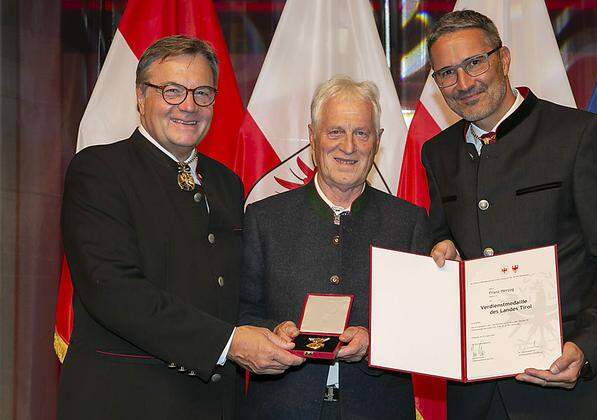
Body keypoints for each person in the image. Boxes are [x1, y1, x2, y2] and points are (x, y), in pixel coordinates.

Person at [57, 35, 303, 420]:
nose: (189, 106)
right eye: (172, 91)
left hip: (215, 406)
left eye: (203, 93)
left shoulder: (225, 183)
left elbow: (227, 289)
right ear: (141, 98)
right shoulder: (99, 171)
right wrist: (230, 343)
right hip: (126, 404)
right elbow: (115, 292)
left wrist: (274, 328)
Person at [422, 10, 597, 420]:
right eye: (447, 73)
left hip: (570, 391)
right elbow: (440, 235)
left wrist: (586, 347)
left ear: (503, 59)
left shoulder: (578, 136)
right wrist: (442, 247)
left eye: (475, 63)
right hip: (477, 399)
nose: (464, 83)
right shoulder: (437, 153)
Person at [239, 75, 430, 419]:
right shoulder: (264, 218)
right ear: (312, 137)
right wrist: (272, 331)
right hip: (281, 409)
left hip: (377, 408)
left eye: (361, 133)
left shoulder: (408, 223)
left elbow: (423, 327)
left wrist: (373, 343)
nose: (348, 146)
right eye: (335, 132)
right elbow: (241, 312)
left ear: (378, 141)